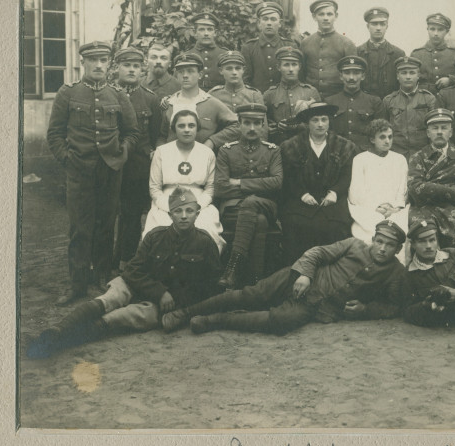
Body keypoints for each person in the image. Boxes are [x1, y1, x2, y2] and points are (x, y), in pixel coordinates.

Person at [27, 188, 222, 358]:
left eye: (189, 210)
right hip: (138, 284)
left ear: (197, 213)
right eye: (178, 211)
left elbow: (208, 287)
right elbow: (132, 270)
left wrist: (174, 302)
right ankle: (56, 331)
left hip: (167, 304)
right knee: (109, 298)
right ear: (170, 215)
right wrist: (159, 291)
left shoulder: (206, 244)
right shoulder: (155, 237)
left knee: (122, 317)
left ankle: (59, 342)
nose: (184, 216)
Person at [166, 221, 407, 335]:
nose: (382, 248)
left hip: (318, 306)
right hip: (299, 278)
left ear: (397, 250)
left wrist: (365, 309)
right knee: (252, 295)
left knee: (280, 321)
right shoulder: (353, 245)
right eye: (380, 241)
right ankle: (184, 313)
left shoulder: (395, 272)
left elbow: (393, 306)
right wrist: (304, 275)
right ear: (373, 239)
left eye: (390, 245)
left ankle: (214, 321)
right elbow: (317, 252)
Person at [46, 40, 139, 305]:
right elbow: (54, 134)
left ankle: (100, 278)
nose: (98, 65)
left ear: (109, 64)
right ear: (83, 63)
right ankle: (77, 284)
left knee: (106, 225)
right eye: (93, 60)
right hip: (79, 171)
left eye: (103, 60)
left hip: (110, 171)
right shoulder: (68, 93)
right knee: (79, 228)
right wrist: (67, 159)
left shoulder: (118, 95)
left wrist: (121, 154)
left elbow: (132, 132)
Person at [279, 102, 360, 264]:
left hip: (331, 201)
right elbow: (288, 177)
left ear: (329, 121)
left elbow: (347, 175)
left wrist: (335, 192)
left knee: (335, 227)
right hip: (301, 200)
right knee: (297, 225)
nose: (320, 124)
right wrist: (302, 194)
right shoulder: (291, 146)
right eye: (315, 120)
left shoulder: (344, 146)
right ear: (308, 123)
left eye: (324, 119)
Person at [214, 103, 283, 290]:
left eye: (257, 123)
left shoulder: (272, 151)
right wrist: (260, 186)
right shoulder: (226, 150)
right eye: (247, 123)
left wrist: (239, 183)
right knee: (258, 219)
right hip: (233, 208)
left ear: (263, 125)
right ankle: (255, 282)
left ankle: (232, 271)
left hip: (267, 205)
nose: (252, 128)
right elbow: (220, 187)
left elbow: (277, 183)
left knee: (253, 204)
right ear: (239, 123)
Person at [144, 110, 225, 251]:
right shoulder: (162, 151)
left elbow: (210, 188)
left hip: (199, 202)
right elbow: (155, 188)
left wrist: (196, 207)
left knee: (206, 228)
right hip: (167, 201)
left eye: (191, 125)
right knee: (159, 229)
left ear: (197, 128)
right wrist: (169, 207)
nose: (187, 130)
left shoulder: (207, 153)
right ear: (174, 128)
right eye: (181, 126)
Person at [113, 46, 163, 267]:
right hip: (110, 164)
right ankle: (106, 261)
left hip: (137, 167)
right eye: (127, 65)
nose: (132, 70)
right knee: (107, 215)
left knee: (132, 215)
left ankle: (125, 261)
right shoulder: (107, 94)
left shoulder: (151, 100)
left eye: (136, 66)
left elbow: (155, 135)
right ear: (116, 68)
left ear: (143, 70)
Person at [407, 107, 455, 251]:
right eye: (434, 128)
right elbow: (414, 190)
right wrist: (449, 189)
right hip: (423, 209)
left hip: (454, 210)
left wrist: (428, 186)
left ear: (450, 133)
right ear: (428, 133)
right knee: (422, 236)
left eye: (444, 128)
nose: (439, 132)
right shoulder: (418, 157)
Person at [158, 51, 240, 149]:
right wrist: (160, 150)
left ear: (200, 75)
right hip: (173, 159)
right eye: (181, 72)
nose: (185, 75)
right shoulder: (169, 103)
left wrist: (212, 141)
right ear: (176, 75)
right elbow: (162, 136)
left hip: (202, 159)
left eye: (190, 71)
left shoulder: (211, 103)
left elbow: (237, 125)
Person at [348, 119, 409, 244]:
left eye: (390, 137)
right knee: (369, 234)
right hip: (368, 209)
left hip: (395, 210)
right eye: (382, 137)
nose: (387, 141)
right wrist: (377, 207)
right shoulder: (360, 159)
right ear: (372, 139)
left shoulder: (400, 159)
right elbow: (356, 191)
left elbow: (402, 189)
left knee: (399, 233)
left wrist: (395, 208)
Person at [300, 0, 357, 99]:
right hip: (311, 99)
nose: (325, 18)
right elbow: (302, 73)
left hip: (338, 99)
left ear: (336, 16)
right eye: (321, 14)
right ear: (314, 17)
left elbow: (352, 75)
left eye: (329, 14)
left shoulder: (346, 43)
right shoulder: (305, 43)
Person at [325, 55, 387, 145]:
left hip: (366, 155)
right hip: (338, 154)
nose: (351, 77)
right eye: (347, 72)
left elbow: (381, 133)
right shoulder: (329, 102)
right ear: (341, 76)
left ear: (363, 76)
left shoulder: (374, 102)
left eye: (356, 73)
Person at [263, 46, 320, 145]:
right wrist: (276, 126)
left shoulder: (311, 92)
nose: (290, 69)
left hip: (306, 145)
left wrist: (299, 126)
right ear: (278, 67)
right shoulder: (270, 94)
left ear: (300, 66)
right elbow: (263, 123)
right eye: (286, 65)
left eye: (294, 64)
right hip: (279, 145)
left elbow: (320, 121)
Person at [383, 55, 436, 158]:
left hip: (423, 154)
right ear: (398, 76)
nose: (408, 76)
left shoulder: (428, 99)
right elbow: (384, 129)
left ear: (418, 75)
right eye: (404, 73)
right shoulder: (389, 100)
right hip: (396, 154)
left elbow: (433, 128)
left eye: (412, 73)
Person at [241, 1, 295, 93]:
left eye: (273, 19)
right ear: (259, 22)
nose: (269, 23)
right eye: (265, 19)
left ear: (280, 23)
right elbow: (245, 80)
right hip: (257, 100)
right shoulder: (249, 47)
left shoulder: (290, 46)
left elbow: (296, 78)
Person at [357, 7, 405, 99]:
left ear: (387, 26)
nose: (378, 28)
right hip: (364, 103)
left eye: (382, 24)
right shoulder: (358, 52)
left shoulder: (398, 54)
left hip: (389, 103)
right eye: (374, 24)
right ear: (368, 26)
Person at [411, 12, 455, 94]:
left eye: (440, 29)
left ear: (447, 31)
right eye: (432, 29)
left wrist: (451, 80)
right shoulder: (416, 54)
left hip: (448, 99)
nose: (436, 33)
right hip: (423, 100)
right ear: (427, 29)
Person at [191, 11, 226, 91]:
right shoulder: (188, 55)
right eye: (202, 29)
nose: (206, 33)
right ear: (194, 32)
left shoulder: (224, 55)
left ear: (215, 33)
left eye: (210, 29)